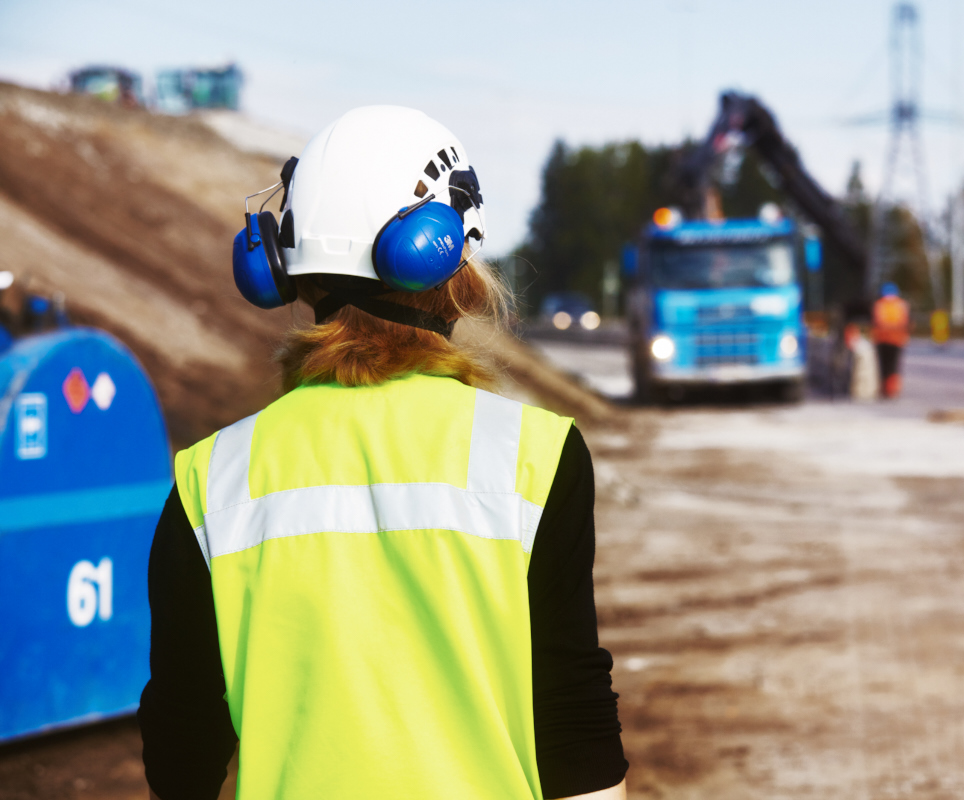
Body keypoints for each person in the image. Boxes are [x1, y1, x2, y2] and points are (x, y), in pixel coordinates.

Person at [138, 106, 627, 800]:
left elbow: (181, 757)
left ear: (284, 268)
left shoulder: (210, 482)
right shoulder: (535, 459)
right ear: (447, 259)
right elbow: (574, 731)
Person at [871, 282, 910, 399]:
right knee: (893, 365)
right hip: (897, 340)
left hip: (881, 339)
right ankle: (891, 389)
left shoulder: (879, 304)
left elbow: (875, 320)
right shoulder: (901, 304)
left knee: (883, 365)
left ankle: (884, 389)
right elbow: (906, 321)